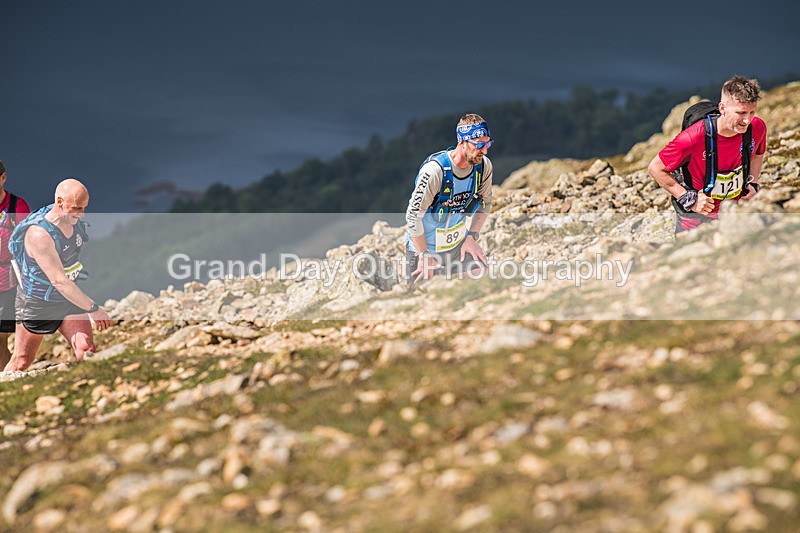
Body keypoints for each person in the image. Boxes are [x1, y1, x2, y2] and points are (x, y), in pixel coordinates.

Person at [3, 178, 112, 372]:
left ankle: (85, 390)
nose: (82, 213)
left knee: (86, 348)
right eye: (77, 208)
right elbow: (58, 280)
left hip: (68, 299)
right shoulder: (38, 235)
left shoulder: (71, 219)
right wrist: (93, 309)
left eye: (84, 207)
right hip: (37, 303)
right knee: (21, 362)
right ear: (60, 202)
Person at [648, 75, 767, 232]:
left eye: (752, 112)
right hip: (696, 217)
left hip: (733, 212)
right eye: (741, 113)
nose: (747, 120)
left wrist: (752, 182)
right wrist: (688, 198)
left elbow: (758, 152)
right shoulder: (693, 137)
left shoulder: (757, 127)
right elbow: (655, 168)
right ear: (722, 108)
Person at [405, 113, 493, 282]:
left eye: (488, 143)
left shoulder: (484, 166)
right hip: (424, 249)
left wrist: (471, 237)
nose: (485, 150)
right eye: (480, 144)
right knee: (420, 300)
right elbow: (413, 215)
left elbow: (485, 203)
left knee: (481, 280)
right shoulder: (434, 171)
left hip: (457, 247)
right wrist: (424, 255)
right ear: (462, 143)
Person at [0, 160, 31, 369]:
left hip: (9, 280)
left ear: (3, 178)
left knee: (2, 335)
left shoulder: (16, 207)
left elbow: (30, 244)